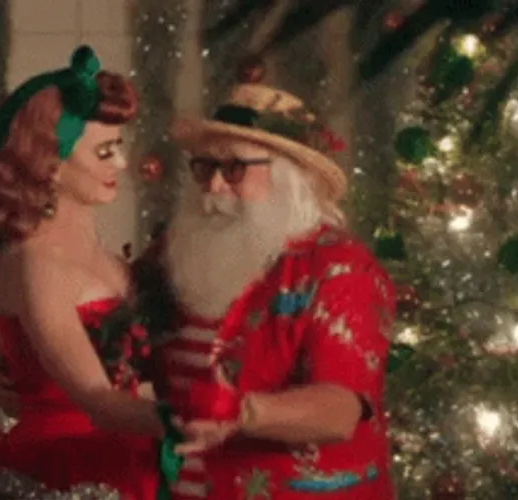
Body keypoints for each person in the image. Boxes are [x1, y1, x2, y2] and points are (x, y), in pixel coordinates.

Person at [140, 74, 396, 498]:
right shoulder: (174, 252)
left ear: (288, 177)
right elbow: (120, 338)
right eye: (205, 167)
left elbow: (340, 411)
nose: (215, 186)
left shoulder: (340, 268)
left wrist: (242, 413)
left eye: (234, 169)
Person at [0, 46, 176, 500]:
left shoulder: (106, 257)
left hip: (128, 455)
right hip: (66, 470)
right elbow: (97, 401)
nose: (120, 164)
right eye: (104, 151)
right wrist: (205, 422)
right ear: (50, 160)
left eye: (119, 147)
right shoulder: (36, 262)